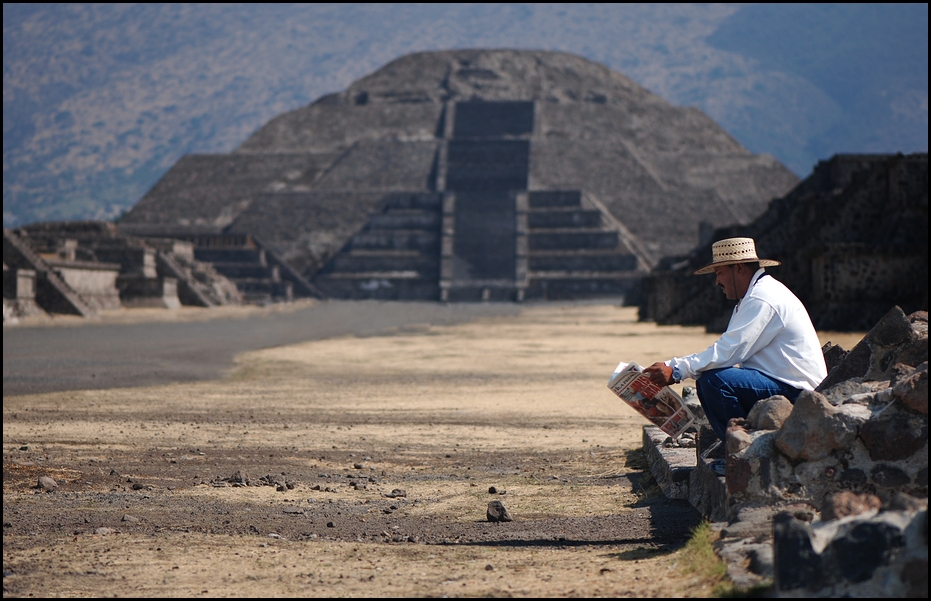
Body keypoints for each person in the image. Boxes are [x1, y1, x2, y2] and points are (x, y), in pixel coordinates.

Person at [643, 237, 827, 451]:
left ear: (738, 269)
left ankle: (741, 451)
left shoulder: (762, 298)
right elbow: (728, 349)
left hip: (798, 392)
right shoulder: (756, 295)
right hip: (786, 386)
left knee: (714, 381)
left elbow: (728, 352)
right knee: (711, 377)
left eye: (719, 273)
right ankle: (741, 445)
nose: (717, 282)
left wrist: (676, 369)